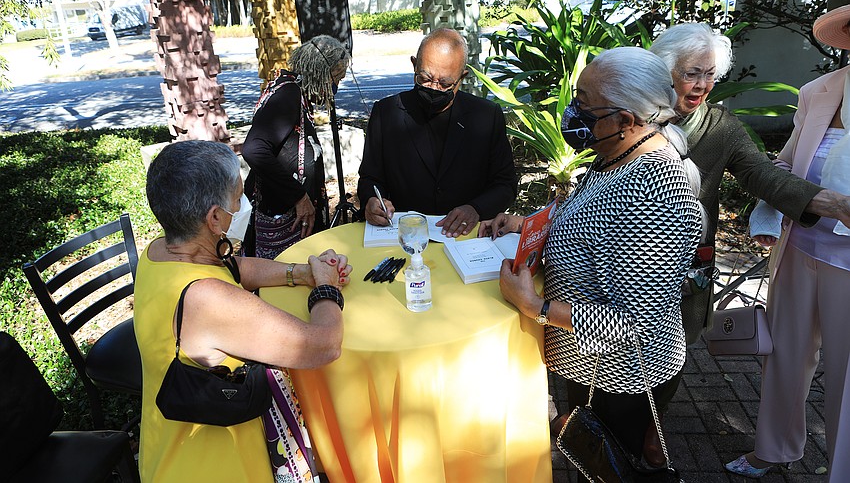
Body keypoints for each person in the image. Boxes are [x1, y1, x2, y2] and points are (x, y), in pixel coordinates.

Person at [482, 47, 703, 480]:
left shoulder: (654, 192)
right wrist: (527, 224)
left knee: (607, 467)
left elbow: (634, 323)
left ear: (626, 120)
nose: (573, 111)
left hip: (620, 375)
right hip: (590, 364)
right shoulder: (615, 157)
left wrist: (535, 306)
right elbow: (592, 222)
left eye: (584, 104)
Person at [645, 22, 850, 467]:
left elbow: (763, 173)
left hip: (683, 260)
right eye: (692, 72)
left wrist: (824, 202)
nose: (701, 84)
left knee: (672, 348)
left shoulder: (721, 128)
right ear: (665, 71)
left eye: (710, 74)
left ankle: (652, 429)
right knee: (607, 341)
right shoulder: (630, 112)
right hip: (619, 254)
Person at [135, 139, 351, 482]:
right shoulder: (207, 299)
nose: (244, 203)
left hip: (166, 440)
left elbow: (232, 267)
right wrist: (326, 288)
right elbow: (323, 345)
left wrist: (302, 273)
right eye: (239, 196)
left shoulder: (162, 251)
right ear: (216, 218)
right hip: (216, 465)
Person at [722, 5, 850, 480]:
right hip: (800, 245)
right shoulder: (819, 90)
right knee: (784, 354)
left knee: (845, 374)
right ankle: (773, 448)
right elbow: (787, 163)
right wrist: (769, 213)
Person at [357, 27, 517, 238]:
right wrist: (372, 200)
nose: (433, 88)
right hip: (403, 235)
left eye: (445, 83)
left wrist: (475, 208)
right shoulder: (386, 113)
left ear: (462, 78)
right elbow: (370, 177)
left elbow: (505, 184)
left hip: (466, 237)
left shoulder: (486, 116)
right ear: (414, 65)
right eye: (425, 78)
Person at [242, 35, 350, 259]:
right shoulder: (288, 96)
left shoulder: (295, 93)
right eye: (335, 77)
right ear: (320, 72)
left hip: (291, 216)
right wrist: (299, 197)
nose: (335, 86)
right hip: (283, 219)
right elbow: (254, 149)